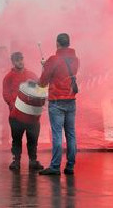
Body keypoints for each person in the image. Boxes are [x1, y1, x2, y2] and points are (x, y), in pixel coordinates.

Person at [38, 33, 79, 176]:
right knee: (71, 134)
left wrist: (45, 67)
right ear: (68, 43)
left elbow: (43, 82)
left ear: (57, 43)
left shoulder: (53, 59)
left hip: (56, 101)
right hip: (71, 100)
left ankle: (55, 167)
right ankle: (70, 166)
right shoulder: (75, 59)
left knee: (57, 135)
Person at [2, 52, 44, 172]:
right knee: (16, 139)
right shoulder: (8, 77)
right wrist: (12, 105)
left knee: (33, 139)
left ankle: (33, 161)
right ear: (13, 62)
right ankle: (16, 161)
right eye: (17, 60)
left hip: (32, 114)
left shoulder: (31, 74)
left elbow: (39, 88)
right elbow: (6, 93)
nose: (20, 62)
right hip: (16, 115)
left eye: (21, 59)